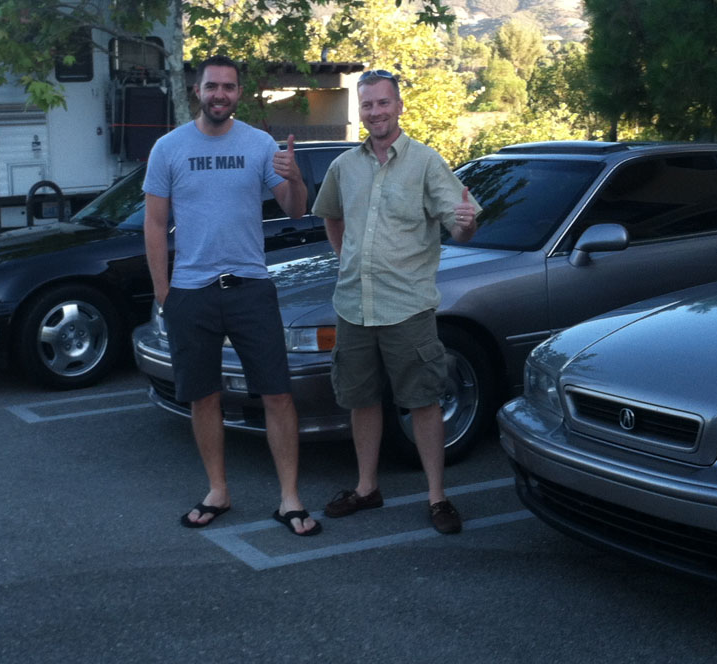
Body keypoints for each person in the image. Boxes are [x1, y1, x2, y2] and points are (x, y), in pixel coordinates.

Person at [143, 55, 320, 536]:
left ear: (239, 93)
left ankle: (290, 498)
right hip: (192, 292)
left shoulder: (259, 144)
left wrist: (294, 176)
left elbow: (296, 210)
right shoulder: (168, 148)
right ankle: (217, 491)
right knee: (204, 397)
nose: (219, 94)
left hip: (250, 287)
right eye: (212, 86)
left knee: (278, 394)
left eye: (228, 86)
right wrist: (164, 293)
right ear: (198, 91)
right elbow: (155, 225)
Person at [312, 69, 481, 535]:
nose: (376, 112)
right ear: (361, 110)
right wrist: (346, 260)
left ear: (399, 106)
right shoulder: (344, 166)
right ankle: (367, 488)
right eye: (367, 105)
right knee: (361, 399)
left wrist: (466, 223)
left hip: (408, 307)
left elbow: (460, 225)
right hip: (354, 306)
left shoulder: (426, 162)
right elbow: (331, 217)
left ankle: (437, 497)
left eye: (383, 103)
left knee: (423, 401)